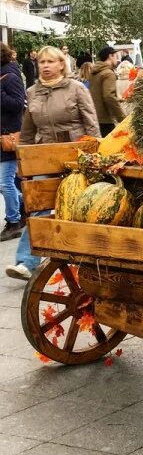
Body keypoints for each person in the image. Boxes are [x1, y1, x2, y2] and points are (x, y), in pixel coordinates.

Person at [6, 46, 100, 280]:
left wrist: (96, 156)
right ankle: (27, 262)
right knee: (37, 207)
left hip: (76, 156)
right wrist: (23, 161)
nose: (45, 66)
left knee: (81, 207)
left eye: (50, 61)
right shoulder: (32, 92)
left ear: (61, 64)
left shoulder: (76, 88)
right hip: (44, 156)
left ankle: (85, 257)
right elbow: (27, 131)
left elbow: (92, 125)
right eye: (41, 62)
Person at [0, 43, 25, 243]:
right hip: (2, 135)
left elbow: (19, 104)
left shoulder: (10, 75)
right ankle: (25, 205)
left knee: (4, 181)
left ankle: (14, 221)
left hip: (9, 136)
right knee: (6, 182)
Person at [88, 46, 126, 137]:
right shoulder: (108, 73)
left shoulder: (94, 72)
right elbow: (109, 96)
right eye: (116, 56)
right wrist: (122, 118)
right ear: (110, 56)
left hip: (94, 116)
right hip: (106, 119)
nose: (117, 59)